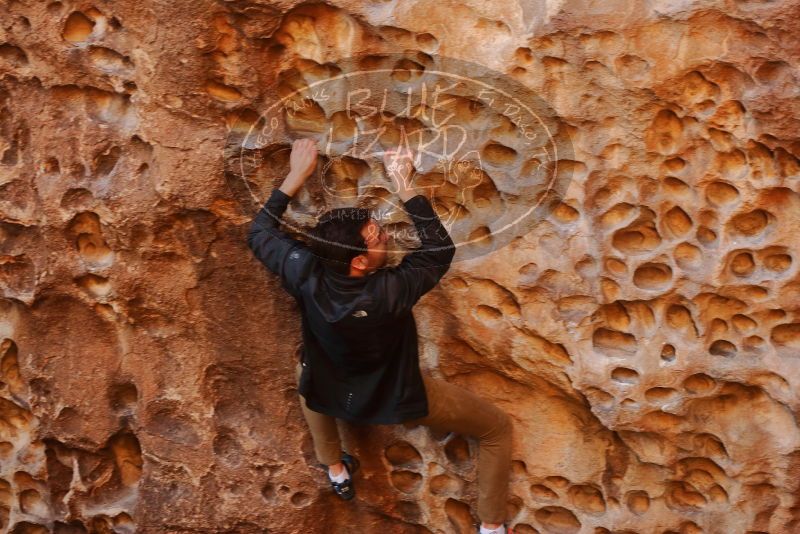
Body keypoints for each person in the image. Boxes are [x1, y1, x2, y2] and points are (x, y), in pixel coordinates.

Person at [246, 138, 514, 534]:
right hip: (398, 395)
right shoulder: (390, 292)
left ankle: (336, 468)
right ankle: (491, 528)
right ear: (358, 261)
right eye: (377, 236)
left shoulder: (303, 271)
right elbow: (439, 250)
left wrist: (294, 176)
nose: (386, 235)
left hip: (331, 384)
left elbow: (259, 231)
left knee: (308, 372)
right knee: (497, 429)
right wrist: (405, 184)